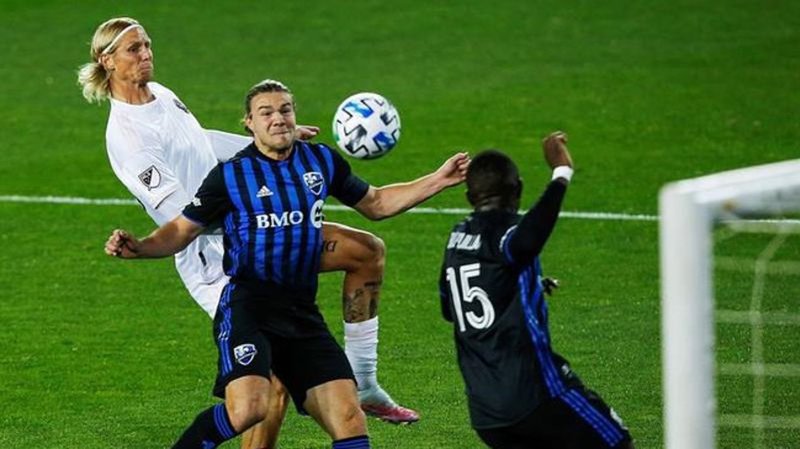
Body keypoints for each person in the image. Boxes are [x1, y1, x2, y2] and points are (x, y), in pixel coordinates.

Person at [77, 17, 417, 448]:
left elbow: (200, 140)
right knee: (267, 388)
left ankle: (364, 382)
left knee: (365, 251)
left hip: (261, 228)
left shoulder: (159, 94)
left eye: (147, 44)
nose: (146, 54)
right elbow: (180, 218)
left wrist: (269, 141)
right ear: (107, 60)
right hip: (218, 259)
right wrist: (262, 210)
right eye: (133, 49)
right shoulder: (128, 139)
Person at [104, 78, 470, 448]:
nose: (278, 118)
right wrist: (141, 247)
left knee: (349, 419)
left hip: (300, 313)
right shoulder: (231, 176)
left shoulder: (320, 160)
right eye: (266, 113)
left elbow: (377, 204)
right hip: (250, 308)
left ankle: (365, 382)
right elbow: (181, 230)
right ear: (249, 124)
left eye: (285, 110)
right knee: (249, 408)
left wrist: (439, 179)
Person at [437, 132, 634, 449]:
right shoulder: (507, 233)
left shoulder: (457, 239)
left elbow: (452, 307)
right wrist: (561, 173)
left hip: (488, 416)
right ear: (518, 189)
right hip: (536, 396)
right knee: (617, 441)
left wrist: (531, 284)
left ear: (469, 198)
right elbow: (526, 241)